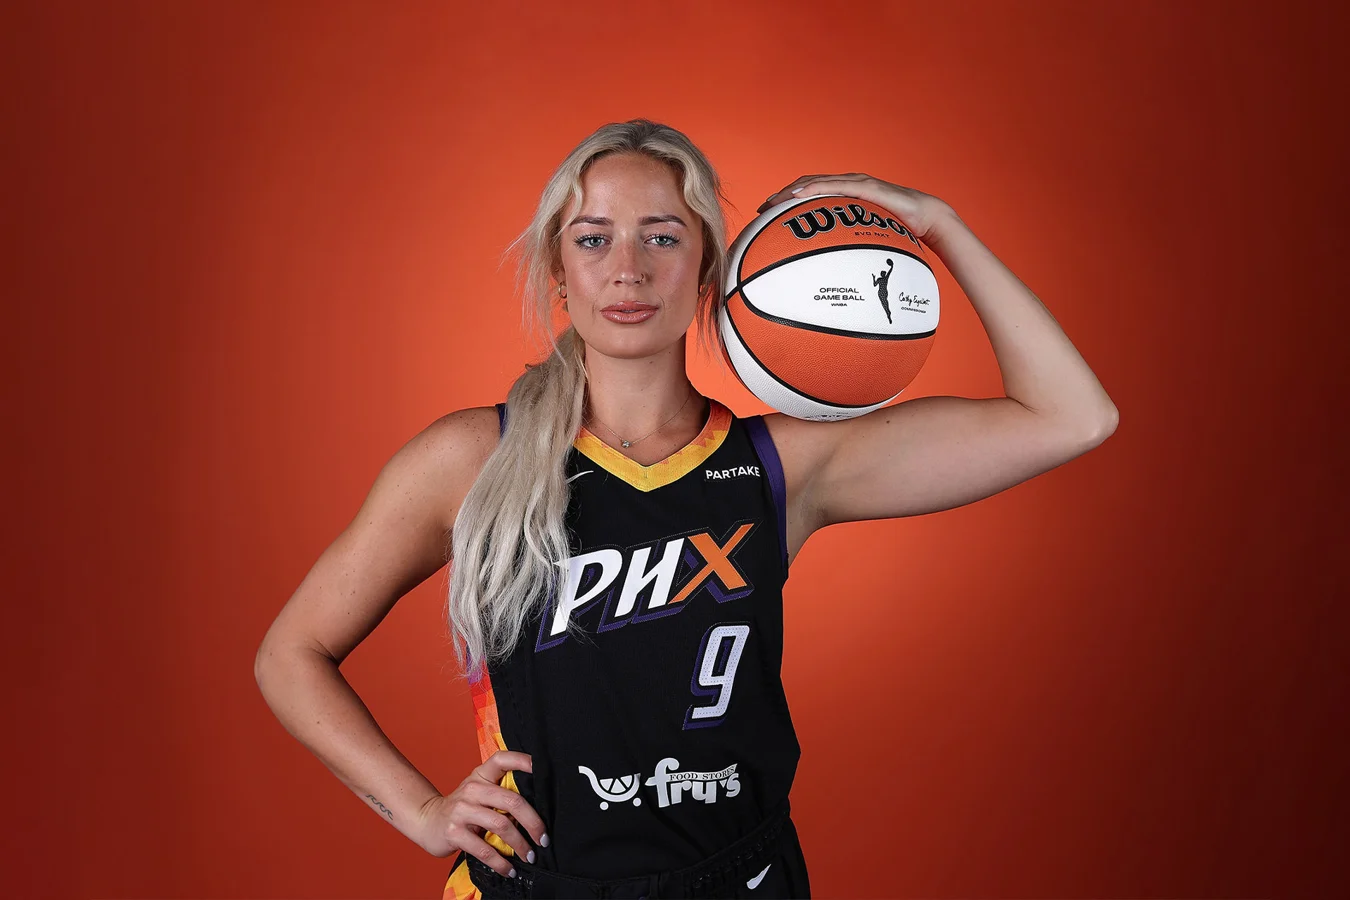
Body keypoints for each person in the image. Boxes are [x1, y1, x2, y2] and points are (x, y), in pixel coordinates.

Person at [254, 118, 1118, 899]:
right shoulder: (474, 458)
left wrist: (939, 224)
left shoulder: (782, 465)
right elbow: (292, 654)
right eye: (594, 238)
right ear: (560, 271)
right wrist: (419, 810)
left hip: (742, 877)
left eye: (662, 236)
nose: (627, 268)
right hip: (538, 883)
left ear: (709, 268)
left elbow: (1072, 417)